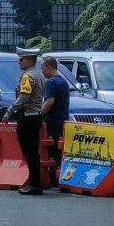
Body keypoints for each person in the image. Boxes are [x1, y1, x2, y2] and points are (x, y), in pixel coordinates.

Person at [2, 47, 45, 195]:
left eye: (21, 60)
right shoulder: (39, 75)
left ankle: (34, 185)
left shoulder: (28, 76)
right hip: (35, 116)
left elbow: (24, 97)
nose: (19, 62)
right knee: (33, 152)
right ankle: (35, 183)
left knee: (30, 153)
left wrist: (9, 111)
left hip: (28, 117)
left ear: (29, 60)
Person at [40, 56, 69, 186]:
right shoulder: (64, 82)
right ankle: (59, 177)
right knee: (59, 151)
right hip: (63, 121)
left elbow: (49, 102)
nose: (42, 71)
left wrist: (38, 115)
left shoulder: (51, 82)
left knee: (51, 150)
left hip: (52, 122)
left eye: (43, 68)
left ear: (50, 67)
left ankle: (52, 177)